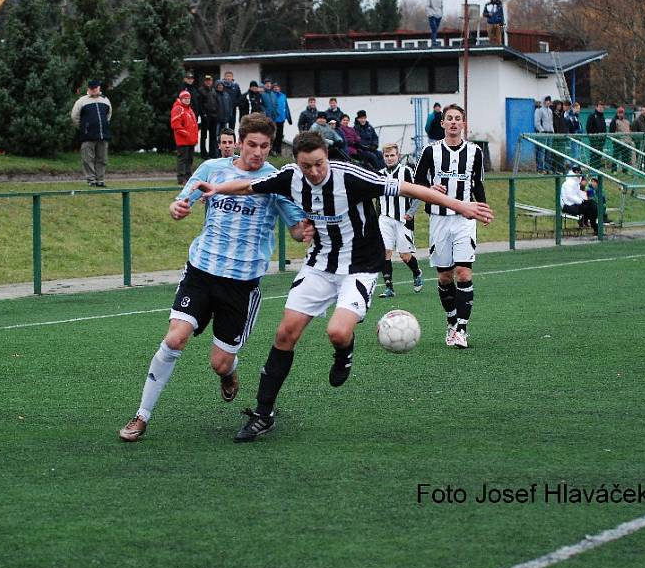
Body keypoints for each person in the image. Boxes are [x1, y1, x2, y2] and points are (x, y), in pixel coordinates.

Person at [190, 130, 493, 442]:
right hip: (320, 263)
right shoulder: (290, 177)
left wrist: (462, 206)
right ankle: (263, 413)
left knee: (337, 331)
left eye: (320, 163)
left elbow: (411, 189)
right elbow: (249, 185)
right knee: (285, 332)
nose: (315, 172)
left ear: (327, 157)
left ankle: (344, 351)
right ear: (297, 162)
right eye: (307, 166)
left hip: (360, 267)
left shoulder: (351, 177)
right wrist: (216, 188)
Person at [118, 113, 313, 442]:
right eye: (252, 144)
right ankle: (141, 415)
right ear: (239, 142)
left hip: (241, 285)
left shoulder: (276, 182)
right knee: (174, 338)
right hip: (201, 272)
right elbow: (181, 203)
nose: (258, 152)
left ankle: (229, 373)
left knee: (220, 363)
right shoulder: (213, 169)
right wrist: (177, 208)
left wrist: (304, 230)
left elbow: (296, 229)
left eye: (265, 146)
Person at [413, 103, 487, 349]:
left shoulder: (475, 152)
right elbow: (417, 182)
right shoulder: (429, 151)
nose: (454, 122)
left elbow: (477, 184)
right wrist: (430, 189)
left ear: (463, 123)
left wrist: (482, 208)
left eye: (458, 118)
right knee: (445, 277)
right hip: (439, 220)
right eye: (449, 118)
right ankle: (452, 321)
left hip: (465, 220)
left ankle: (462, 330)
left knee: (464, 272)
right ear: (442, 123)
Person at [377, 143, 423, 298]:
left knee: (404, 255)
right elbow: (377, 199)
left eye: (392, 155)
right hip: (384, 218)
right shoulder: (379, 174)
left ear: (398, 156)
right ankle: (389, 288)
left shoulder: (406, 172)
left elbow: (418, 193)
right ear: (383, 157)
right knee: (385, 252)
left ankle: (417, 272)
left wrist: (411, 213)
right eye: (386, 155)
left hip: (403, 219)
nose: (389, 158)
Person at [71, 80, 112, 187]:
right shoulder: (81, 101)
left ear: (99, 88)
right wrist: (84, 127)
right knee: (88, 159)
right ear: (88, 89)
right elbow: (74, 117)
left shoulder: (105, 100)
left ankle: (100, 180)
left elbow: (108, 115)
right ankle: (91, 180)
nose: (94, 90)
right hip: (87, 135)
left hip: (103, 135)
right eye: (92, 88)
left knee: (102, 159)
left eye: (96, 88)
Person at [170, 90, 198, 185]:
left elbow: (194, 125)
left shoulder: (189, 110)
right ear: (181, 99)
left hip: (190, 140)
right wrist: (185, 133)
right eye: (185, 98)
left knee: (189, 159)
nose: (187, 100)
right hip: (183, 140)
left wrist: (194, 137)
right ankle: (181, 178)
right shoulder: (178, 109)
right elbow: (175, 125)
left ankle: (188, 176)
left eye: (188, 98)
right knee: (182, 159)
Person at [560, 165, 598, 235]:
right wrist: (581, 201)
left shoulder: (576, 182)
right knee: (589, 207)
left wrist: (585, 199)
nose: (579, 174)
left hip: (575, 203)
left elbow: (578, 193)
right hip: (567, 205)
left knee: (593, 204)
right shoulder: (569, 183)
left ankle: (587, 222)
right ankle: (592, 225)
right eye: (577, 172)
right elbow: (569, 196)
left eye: (579, 172)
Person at [197, 75, 219, 159]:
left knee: (213, 136)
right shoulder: (201, 90)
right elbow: (200, 104)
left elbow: (217, 103)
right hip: (206, 116)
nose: (208, 82)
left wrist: (217, 113)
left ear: (212, 81)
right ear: (204, 81)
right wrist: (203, 114)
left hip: (214, 116)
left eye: (210, 80)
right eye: (207, 80)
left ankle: (212, 153)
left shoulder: (213, 90)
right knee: (204, 136)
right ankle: (203, 153)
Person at [271, 82, 292, 156]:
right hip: (274, 119)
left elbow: (286, 107)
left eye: (277, 87)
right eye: (274, 87)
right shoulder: (272, 95)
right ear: (272, 88)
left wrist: (289, 118)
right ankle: (273, 150)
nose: (276, 88)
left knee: (280, 135)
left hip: (282, 119)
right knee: (274, 135)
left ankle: (279, 151)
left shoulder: (283, 96)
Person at [534, 95, 554, 173]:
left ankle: (547, 168)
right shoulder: (539, 110)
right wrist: (542, 130)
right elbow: (537, 122)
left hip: (550, 133)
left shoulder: (550, 111)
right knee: (541, 151)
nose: (548, 102)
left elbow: (551, 122)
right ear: (543, 101)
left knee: (549, 152)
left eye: (549, 100)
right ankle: (540, 169)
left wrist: (552, 131)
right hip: (542, 133)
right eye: (546, 100)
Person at [585, 101, 607, 170]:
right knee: (594, 154)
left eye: (602, 107)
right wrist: (592, 137)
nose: (601, 109)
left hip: (601, 140)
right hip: (594, 139)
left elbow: (604, 128)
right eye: (600, 107)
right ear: (596, 107)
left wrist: (604, 138)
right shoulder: (592, 116)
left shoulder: (602, 117)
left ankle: (597, 168)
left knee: (599, 154)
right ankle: (592, 168)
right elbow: (588, 127)